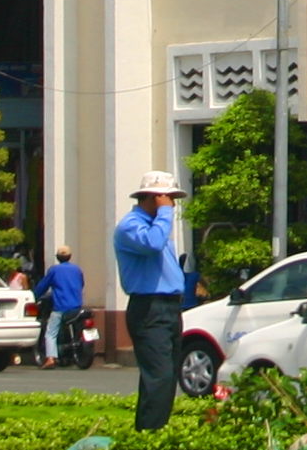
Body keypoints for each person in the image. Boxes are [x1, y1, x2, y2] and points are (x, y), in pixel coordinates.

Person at [113, 170, 187, 431]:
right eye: (168, 198)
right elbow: (153, 244)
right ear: (155, 198)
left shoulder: (159, 226)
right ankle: (149, 432)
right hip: (149, 307)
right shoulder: (131, 226)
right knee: (159, 374)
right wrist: (165, 213)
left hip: (169, 306)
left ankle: (155, 427)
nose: (172, 205)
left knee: (168, 373)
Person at [34, 245, 86, 366]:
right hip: (77, 306)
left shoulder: (54, 270)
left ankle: (51, 358)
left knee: (51, 333)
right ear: (69, 257)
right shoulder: (77, 269)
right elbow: (81, 284)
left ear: (58, 257)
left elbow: (42, 286)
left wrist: (34, 296)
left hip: (61, 307)